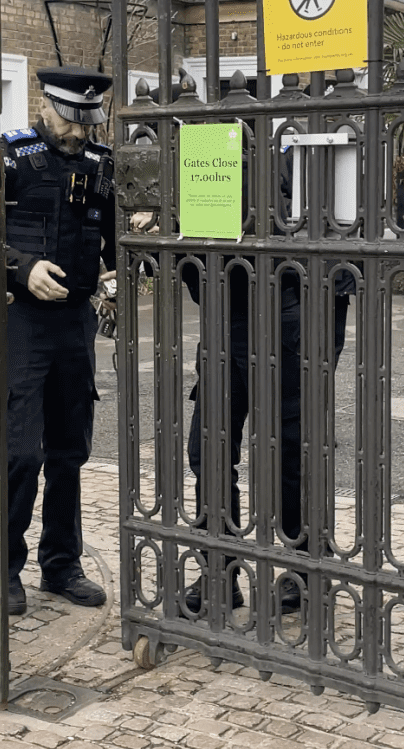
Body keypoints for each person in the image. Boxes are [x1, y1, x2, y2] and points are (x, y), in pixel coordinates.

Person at [133, 83, 350, 616]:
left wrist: (324, 344)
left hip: (286, 320)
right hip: (224, 323)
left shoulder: (289, 162)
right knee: (207, 449)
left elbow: (333, 254)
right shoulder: (191, 165)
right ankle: (219, 570)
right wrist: (159, 234)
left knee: (291, 450)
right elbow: (182, 262)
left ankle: (304, 568)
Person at [1, 66, 115, 616]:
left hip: (76, 324)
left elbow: (116, 240)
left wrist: (123, 266)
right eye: (69, 119)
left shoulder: (100, 163)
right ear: (44, 106)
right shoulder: (11, 157)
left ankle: (61, 565)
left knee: (70, 452)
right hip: (24, 322)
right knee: (23, 452)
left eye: (86, 121)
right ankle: (4, 566)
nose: (78, 132)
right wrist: (22, 268)